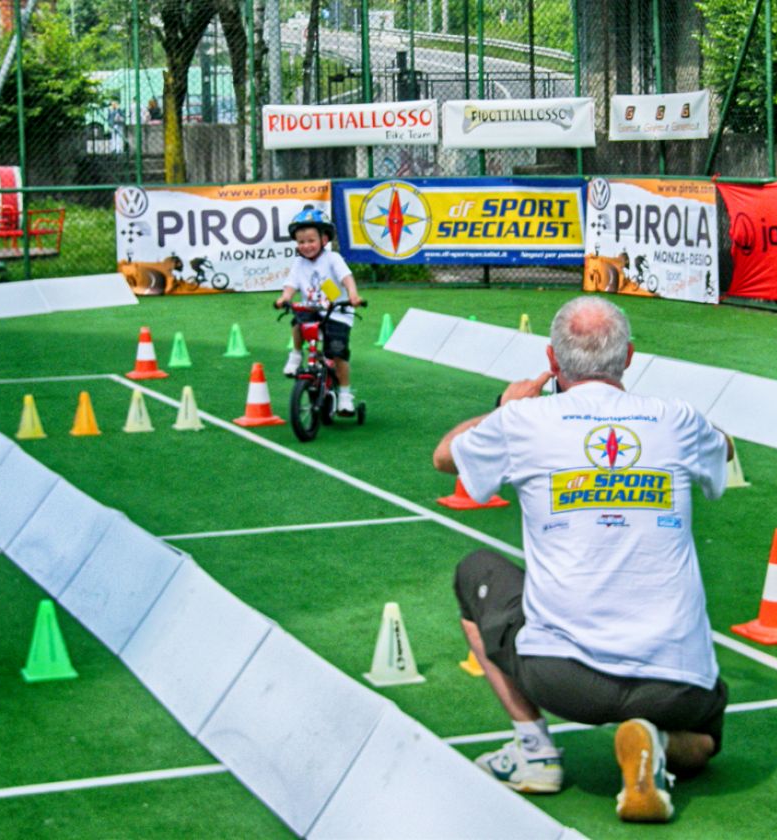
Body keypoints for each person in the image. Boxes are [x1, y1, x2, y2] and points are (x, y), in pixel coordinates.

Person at [433, 296, 733, 823]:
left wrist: (505, 408)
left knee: (474, 572)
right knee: (706, 738)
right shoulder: (677, 419)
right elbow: (725, 449)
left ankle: (536, 752)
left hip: (563, 678)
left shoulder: (525, 420)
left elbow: (444, 457)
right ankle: (656, 742)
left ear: (553, 361)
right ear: (630, 357)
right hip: (677, 683)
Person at [274, 206, 363, 414]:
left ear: (324, 240)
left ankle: (345, 395)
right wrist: (284, 298)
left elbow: (346, 278)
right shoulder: (299, 263)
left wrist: (353, 295)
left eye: (311, 240)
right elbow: (291, 285)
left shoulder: (332, 259)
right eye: (301, 242)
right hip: (312, 309)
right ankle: (296, 356)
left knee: (338, 353)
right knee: (297, 320)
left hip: (337, 312)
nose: (306, 246)